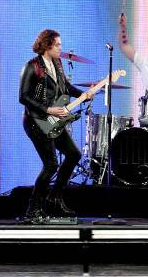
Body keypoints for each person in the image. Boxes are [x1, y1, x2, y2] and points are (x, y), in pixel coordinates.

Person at [19, 29, 94, 222]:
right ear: (47, 45)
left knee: (74, 154)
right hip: (36, 121)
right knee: (51, 164)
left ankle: (55, 198)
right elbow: (23, 97)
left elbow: (66, 88)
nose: (61, 48)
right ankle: (33, 209)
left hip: (53, 121)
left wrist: (84, 94)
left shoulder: (58, 64)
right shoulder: (32, 66)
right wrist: (49, 110)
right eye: (58, 45)